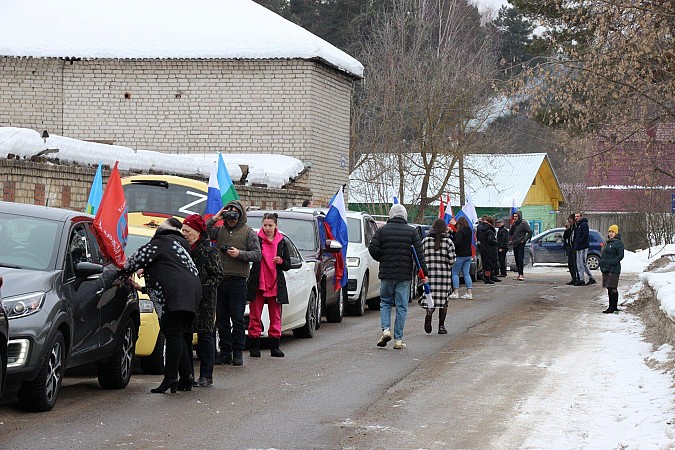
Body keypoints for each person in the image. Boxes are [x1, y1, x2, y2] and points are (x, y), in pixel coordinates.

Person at [125, 217, 201, 394]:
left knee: (173, 334)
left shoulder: (160, 242)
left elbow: (133, 261)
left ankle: (170, 378)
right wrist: (143, 286)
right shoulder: (179, 246)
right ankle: (186, 376)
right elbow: (168, 271)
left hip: (175, 295)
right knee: (178, 335)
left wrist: (120, 271)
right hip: (191, 293)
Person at [207, 201, 262, 366]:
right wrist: (215, 218)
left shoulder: (248, 232)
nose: (231, 219)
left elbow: (257, 255)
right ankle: (226, 352)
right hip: (220, 280)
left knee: (237, 319)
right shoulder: (219, 230)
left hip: (238, 281)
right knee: (221, 319)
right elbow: (202, 233)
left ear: (240, 216)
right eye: (228, 215)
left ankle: (238, 353)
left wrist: (239, 254)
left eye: (234, 215)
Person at [368, 204, 428, 349]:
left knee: (386, 302)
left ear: (390, 215)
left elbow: (372, 248)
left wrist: (382, 258)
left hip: (387, 273)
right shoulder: (412, 232)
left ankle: (386, 330)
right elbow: (420, 255)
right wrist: (424, 274)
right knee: (401, 306)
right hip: (404, 274)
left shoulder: (382, 231)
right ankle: (398, 339)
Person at [181, 214, 224, 388]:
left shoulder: (209, 251)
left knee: (205, 336)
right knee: (185, 336)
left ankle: (206, 375)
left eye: (187, 230)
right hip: (185, 299)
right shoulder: (181, 250)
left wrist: (203, 288)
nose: (183, 233)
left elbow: (218, 275)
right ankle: (187, 374)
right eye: (182, 230)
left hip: (204, 300)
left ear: (197, 232)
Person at [247, 213, 291, 357]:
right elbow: (250, 256)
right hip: (258, 282)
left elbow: (288, 264)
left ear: (276, 226)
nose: (267, 228)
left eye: (270, 225)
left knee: (275, 316)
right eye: (265, 225)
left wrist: (281, 262)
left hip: (275, 283)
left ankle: (275, 347)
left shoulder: (282, 242)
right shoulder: (256, 239)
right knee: (255, 315)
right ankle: (254, 345)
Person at [421, 218, 455, 334]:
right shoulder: (448, 242)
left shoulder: (425, 241)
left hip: (429, 275)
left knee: (430, 298)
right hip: (444, 276)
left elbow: (421, 258)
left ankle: (429, 314)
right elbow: (452, 261)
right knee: (443, 301)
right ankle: (441, 326)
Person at [599, 224, 624, 313]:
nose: (610, 233)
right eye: (609, 232)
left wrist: (612, 262)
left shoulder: (618, 243)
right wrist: (602, 263)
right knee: (608, 287)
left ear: (616, 233)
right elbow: (603, 254)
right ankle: (611, 306)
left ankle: (614, 307)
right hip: (606, 268)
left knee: (613, 287)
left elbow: (620, 255)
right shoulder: (607, 242)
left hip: (614, 269)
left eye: (612, 232)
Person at [449, 216, 474, 299]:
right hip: (468, 255)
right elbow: (461, 234)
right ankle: (469, 293)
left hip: (460, 255)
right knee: (466, 273)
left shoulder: (460, 232)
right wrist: (453, 231)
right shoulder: (469, 230)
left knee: (455, 273)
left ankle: (456, 292)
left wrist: (452, 241)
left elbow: (458, 242)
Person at [573, 212, 596, 286]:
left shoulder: (583, 225)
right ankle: (590, 278)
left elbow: (585, 235)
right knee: (582, 263)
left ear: (581, 217)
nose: (576, 217)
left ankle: (581, 280)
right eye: (575, 216)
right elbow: (577, 236)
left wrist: (579, 242)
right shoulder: (577, 225)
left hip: (582, 247)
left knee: (580, 263)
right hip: (579, 246)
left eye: (577, 216)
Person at [509, 210, 532, 281]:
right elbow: (510, 233)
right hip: (515, 243)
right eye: (514, 216)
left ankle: (521, 274)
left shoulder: (524, 223)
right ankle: (519, 274)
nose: (515, 218)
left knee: (520, 259)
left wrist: (524, 240)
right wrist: (512, 225)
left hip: (520, 243)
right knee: (516, 259)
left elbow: (530, 232)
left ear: (519, 216)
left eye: (516, 216)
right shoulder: (514, 224)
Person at [477, 216, 500, 284]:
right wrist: (496, 242)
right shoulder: (489, 230)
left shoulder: (481, 228)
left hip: (483, 248)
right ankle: (488, 278)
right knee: (489, 264)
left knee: (487, 264)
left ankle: (489, 277)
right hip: (490, 249)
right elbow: (490, 240)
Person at [563, 214, 579, 286]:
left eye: (570, 219)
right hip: (569, 247)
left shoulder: (576, 227)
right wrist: (567, 229)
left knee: (574, 264)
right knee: (570, 264)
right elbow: (565, 237)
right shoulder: (571, 228)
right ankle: (573, 278)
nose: (569, 221)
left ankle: (577, 278)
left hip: (574, 248)